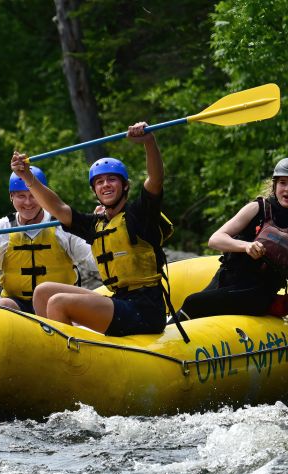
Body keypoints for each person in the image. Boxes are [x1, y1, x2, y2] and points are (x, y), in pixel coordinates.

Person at [9, 121, 170, 336]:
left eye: (112, 179)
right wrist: (27, 177)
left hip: (145, 309)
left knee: (58, 302)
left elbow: (155, 180)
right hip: (119, 301)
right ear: (95, 191)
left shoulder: (139, 214)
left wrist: (148, 142)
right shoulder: (95, 225)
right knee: (44, 291)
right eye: (99, 182)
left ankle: (70, 360)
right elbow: (57, 207)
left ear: (125, 186)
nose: (106, 185)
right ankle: (49, 346)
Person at [175, 157, 288, 325]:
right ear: (275, 186)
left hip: (258, 295)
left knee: (193, 302)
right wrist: (246, 246)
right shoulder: (256, 209)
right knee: (192, 308)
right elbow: (215, 239)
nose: (287, 189)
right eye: (282, 183)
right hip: (226, 281)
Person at [0, 166, 97, 313]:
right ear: (11, 197)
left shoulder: (63, 226)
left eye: (33, 195)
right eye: (21, 196)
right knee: (2, 304)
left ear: (43, 196)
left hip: (60, 302)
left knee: (54, 301)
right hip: (18, 304)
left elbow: (94, 261)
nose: (28, 203)